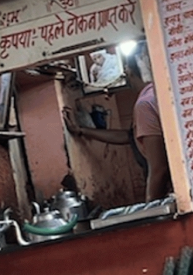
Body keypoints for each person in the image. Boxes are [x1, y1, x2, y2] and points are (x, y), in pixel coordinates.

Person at [66, 49, 171, 201]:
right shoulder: (159, 94)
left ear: (129, 71)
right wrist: (82, 131)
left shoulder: (145, 105)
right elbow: (128, 137)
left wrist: (151, 208)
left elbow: (159, 169)